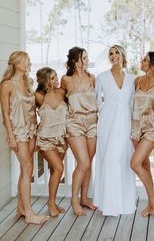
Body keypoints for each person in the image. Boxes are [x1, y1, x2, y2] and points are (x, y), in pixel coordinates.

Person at [0, 51, 49, 224]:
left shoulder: (27, 82)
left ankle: (21, 208)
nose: (29, 63)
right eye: (27, 61)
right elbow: (5, 114)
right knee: (28, 169)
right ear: (17, 62)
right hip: (18, 133)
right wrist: (11, 137)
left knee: (24, 170)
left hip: (31, 131)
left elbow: (34, 106)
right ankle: (29, 214)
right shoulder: (6, 85)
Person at [93, 45, 136, 216]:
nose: (113, 55)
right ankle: (109, 204)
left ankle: (124, 203)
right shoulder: (102, 77)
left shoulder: (133, 79)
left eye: (116, 52)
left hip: (126, 120)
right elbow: (96, 101)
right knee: (109, 159)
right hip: (107, 122)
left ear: (123, 55)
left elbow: (133, 102)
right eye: (110, 53)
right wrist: (103, 116)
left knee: (124, 160)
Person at [130, 52, 154, 217]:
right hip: (136, 128)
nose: (142, 61)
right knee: (144, 165)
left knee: (134, 163)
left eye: (145, 59)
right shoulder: (137, 81)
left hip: (153, 128)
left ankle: (153, 195)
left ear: (153, 64)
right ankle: (152, 202)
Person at [61, 47, 97, 216]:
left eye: (87, 57)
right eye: (84, 57)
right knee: (84, 163)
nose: (87, 60)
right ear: (76, 61)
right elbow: (61, 101)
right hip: (74, 123)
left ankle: (85, 198)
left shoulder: (92, 78)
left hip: (92, 122)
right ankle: (74, 201)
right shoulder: (66, 79)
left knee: (88, 162)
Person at [35, 67, 67, 217]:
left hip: (61, 138)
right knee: (59, 169)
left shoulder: (62, 92)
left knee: (55, 171)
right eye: (53, 78)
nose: (57, 79)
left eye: (56, 76)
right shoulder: (39, 96)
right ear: (46, 81)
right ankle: (50, 203)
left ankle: (53, 202)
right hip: (45, 139)